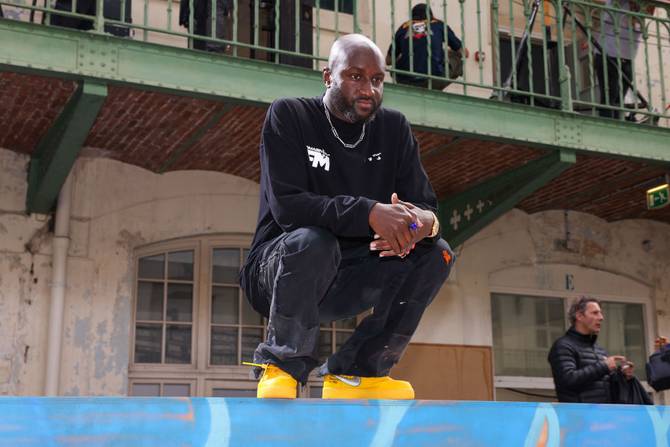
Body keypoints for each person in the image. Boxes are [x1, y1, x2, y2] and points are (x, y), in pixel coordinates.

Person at [239, 34, 455, 400]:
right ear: (328, 77)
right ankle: (281, 364)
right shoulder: (290, 115)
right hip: (279, 270)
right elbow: (288, 207)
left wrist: (421, 227)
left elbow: (427, 209)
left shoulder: (394, 129)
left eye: (377, 79)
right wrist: (370, 213)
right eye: (355, 76)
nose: (368, 88)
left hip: (350, 274)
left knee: (438, 254)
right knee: (313, 241)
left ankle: (358, 373)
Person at [548, 296, 635, 403]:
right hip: (578, 417)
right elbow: (568, 380)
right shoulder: (563, 346)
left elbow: (603, 387)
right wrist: (603, 366)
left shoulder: (600, 350)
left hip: (603, 416)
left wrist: (623, 376)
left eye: (600, 313)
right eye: (595, 313)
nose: (601, 317)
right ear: (579, 316)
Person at [386, 3, 467, 90]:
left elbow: (388, 61)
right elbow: (464, 52)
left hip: (405, 80)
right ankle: (436, 86)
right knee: (456, 57)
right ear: (431, 15)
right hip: (433, 79)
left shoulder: (403, 27)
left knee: (396, 63)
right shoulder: (439, 25)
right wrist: (447, 52)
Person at [594, 0, 653, 119]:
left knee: (619, 100)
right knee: (610, 97)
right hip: (609, 54)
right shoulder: (617, 3)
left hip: (628, 58)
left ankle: (618, 124)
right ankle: (609, 128)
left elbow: (650, 11)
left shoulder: (642, 8)